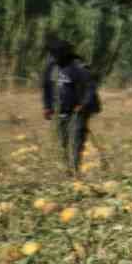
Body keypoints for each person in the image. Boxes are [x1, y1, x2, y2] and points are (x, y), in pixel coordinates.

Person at [52, 42, 101, 173]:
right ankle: (66, 168)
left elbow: (90, 88)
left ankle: (74, 168)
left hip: (79, 112)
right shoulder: (56, 68)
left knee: (76, 140)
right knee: (62, 140)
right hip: (62, 111)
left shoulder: (78, 68)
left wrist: (82, 105)